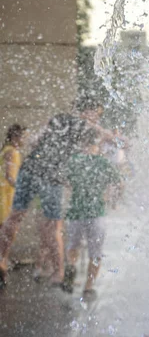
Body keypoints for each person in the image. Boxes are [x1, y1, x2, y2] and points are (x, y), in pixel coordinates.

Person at [0, 99, 117, 287]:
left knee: (16, 216)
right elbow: (109, 137)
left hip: (30, 168)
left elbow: (35, 141)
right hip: (50, 176)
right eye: (96, 113)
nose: (97, 118)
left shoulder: (58, 119)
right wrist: (119, 140)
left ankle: (2, 259)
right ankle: (58, 273)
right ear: (87, 112)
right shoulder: (82, 124)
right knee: (53, 226)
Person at [61, 129, 121, 299]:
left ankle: (71, 267)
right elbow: (119, 183)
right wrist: (111, 199)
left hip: (76, 212)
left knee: (73, 246)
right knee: (95, 253)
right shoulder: (103, 163)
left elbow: (66, 182)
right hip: (97, 213)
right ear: (97, 145)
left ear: (82, 145)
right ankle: (88, 287)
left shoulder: (74, 161)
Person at [0, 125, 27, 225]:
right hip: (5, 192)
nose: (25, 140)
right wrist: (21, 190)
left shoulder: (7, 149)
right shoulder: (11, 151)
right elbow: (9, 176)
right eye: (23, 137)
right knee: (5, 224)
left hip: (4, 190)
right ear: (15, 137)